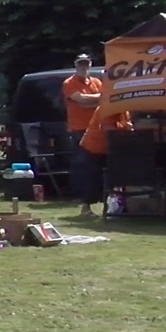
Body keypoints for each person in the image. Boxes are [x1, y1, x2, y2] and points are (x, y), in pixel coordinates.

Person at [61, 53, 104, 218]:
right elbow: (81, 100)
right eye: (81, 63)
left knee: (98, 168)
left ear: (91, 65)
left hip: (97, 130)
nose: (83, 67)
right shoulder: (69, 83)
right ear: (75, 64)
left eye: (86, 63)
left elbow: (99, 101)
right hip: (79, 131)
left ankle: (103, 204)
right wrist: (97, 99)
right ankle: (85, 206)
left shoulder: (97, 82)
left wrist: (92, 100)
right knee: (85, 167)